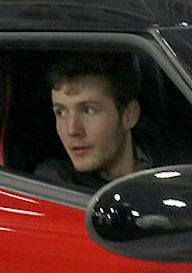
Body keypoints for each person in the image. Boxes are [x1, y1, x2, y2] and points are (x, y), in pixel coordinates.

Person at [34, 59, 148, 189]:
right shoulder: (54, 184)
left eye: (88, 111)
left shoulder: (167, 158)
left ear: (129, 116)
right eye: (61, 113)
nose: (72, 130)